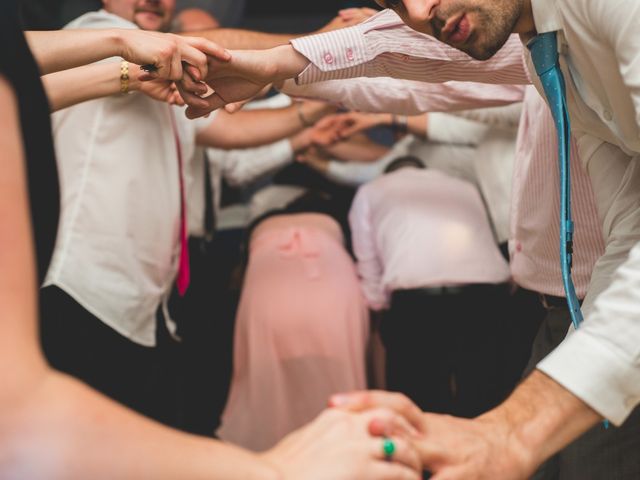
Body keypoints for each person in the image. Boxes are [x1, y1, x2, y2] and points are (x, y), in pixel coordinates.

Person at [182, 0, 640, 477]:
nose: (421, 13)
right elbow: (629, 228)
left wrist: (513, 431)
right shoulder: (546, 51)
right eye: (393, 4)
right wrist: (278, 67)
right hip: (584, 311)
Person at [0, 1, 423, 477]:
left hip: (142, 302)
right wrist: (320, 40)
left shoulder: (139, 68)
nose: (153, 2)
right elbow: (23, 425)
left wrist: (308, 120)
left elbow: (226, 130)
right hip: (85, 286)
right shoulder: (97, 31)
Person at [349, 156, 511, 417]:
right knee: (485, 402)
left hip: (417, 303)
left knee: (419, 409)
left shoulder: (371, 190)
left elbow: (368, 266)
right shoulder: (464, 185)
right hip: (486, 297)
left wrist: (381, 309)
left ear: (387, 174)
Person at [218, 190, 369, 450]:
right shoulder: (337, 218)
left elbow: (237, 277)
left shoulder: (260, 223)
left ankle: (273, 449)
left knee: (266, 362)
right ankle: (343, 443)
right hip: (332, 280)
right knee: (339, 362)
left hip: (270, 282)